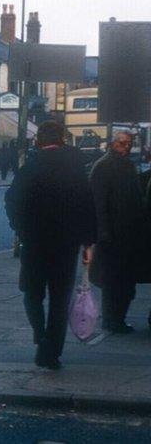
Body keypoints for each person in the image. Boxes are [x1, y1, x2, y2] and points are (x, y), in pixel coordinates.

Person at [5, 121, 96, 370]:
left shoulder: (31, 167)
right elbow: (88, 205)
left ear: (39, 141)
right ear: (62, 140)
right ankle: (52, 351)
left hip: (35, 243)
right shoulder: (76, 169)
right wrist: (88, 240)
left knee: (32, 294)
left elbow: (12, 200)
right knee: (59, 299)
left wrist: (20, 228)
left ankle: (40, 335)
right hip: (66, 245)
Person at [90, 131, 147, 333]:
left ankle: (118, 319)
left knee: (125, 281)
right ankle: (111, 320)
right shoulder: (103, 166)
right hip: (113, 234)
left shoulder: (128, 165)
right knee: (113, 281)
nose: (126, 146)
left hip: (129, 234)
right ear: (113, 143)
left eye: (129, 143)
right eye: (122, 143)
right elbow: (98, 203)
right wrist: (103, 232)